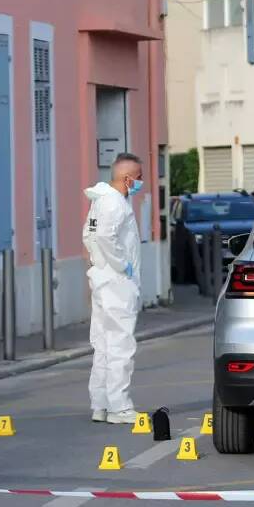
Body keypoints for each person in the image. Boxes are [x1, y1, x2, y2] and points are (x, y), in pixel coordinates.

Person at [82, 152, 144, 425]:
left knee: (104, 344)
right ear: (128, 178)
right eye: (139, 177)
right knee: (120, 345)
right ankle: (120, 407)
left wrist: (99, 262)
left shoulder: (100, 201)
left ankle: (101, 405)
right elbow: (106, 237)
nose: (141, 182)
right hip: (117, 283)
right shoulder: (115, 203)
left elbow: (89, 234)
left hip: (102, 279)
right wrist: (121, 265)